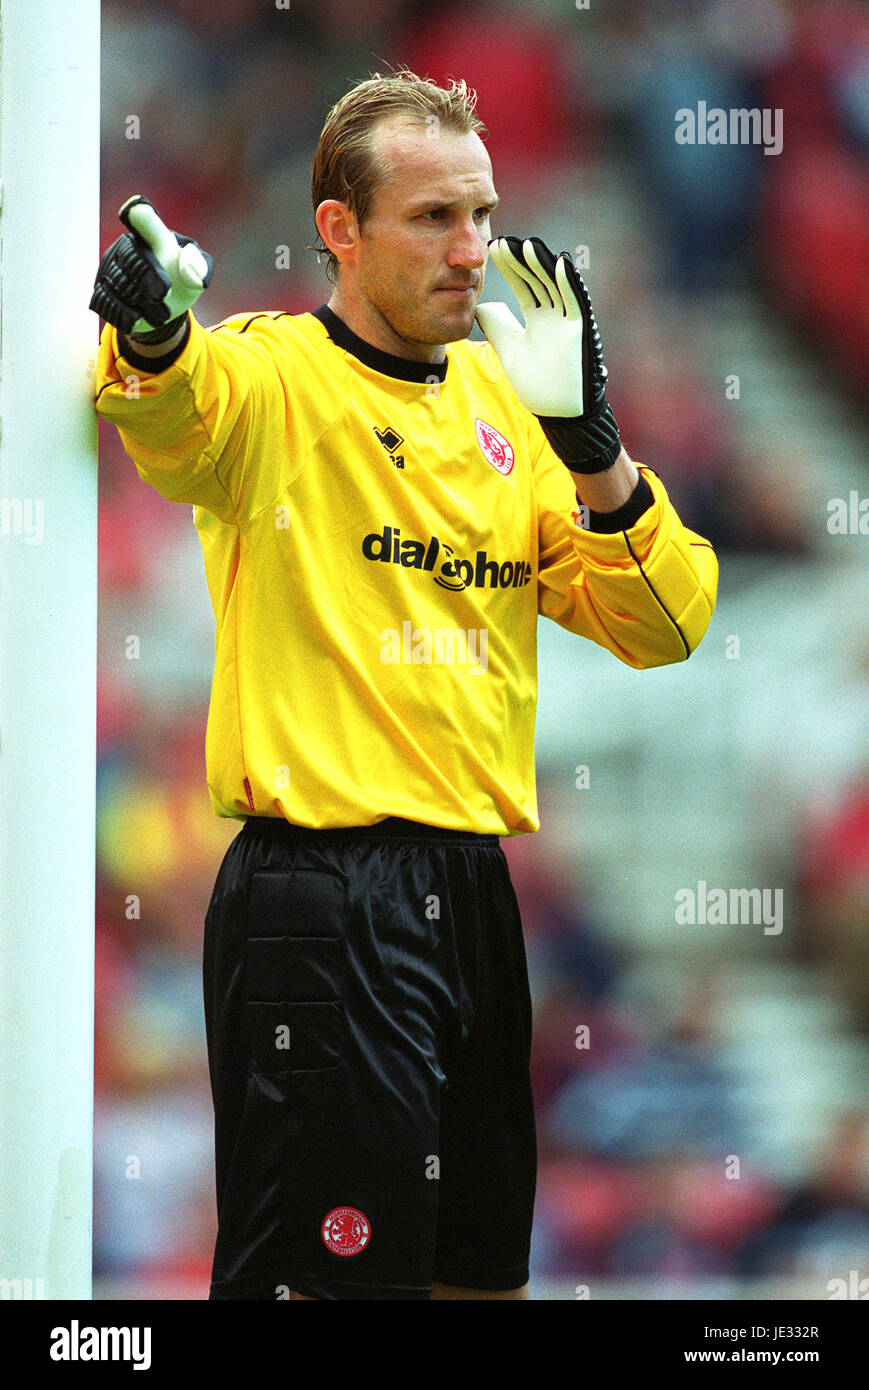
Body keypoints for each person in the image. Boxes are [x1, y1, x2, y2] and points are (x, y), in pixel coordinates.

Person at [90, 70, 718, 1301]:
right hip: (318, 898)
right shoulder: (276, 377)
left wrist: (593, 453)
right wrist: (154, 335)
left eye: (481, 215)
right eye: (432, 217)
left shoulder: (513, 408)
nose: (471, 249)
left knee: (475, 1279)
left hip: (472, 892)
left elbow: (667, 625)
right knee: (325, 1288)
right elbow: (169, 412)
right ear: (340, 228)